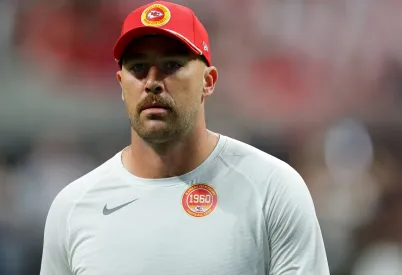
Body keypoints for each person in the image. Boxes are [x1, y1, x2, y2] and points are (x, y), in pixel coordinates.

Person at [39, 1, 330, 274]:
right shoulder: (73, 208)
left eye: (172, 66)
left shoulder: (272, 190)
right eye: (138, 68)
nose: (152, 82)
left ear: (208, 81)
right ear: (121, 84)